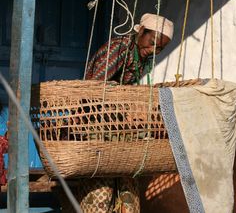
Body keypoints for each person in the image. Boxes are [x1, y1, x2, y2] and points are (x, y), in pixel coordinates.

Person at [66, 13, 174, 213]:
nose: (153, 50)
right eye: (151, 43)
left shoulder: (140, 55)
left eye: (159, 49)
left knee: (127, 182)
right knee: (101, 188)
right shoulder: (119, 49)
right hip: (94, 123)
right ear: (141, 31)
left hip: (113, 124)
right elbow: (93, 89)